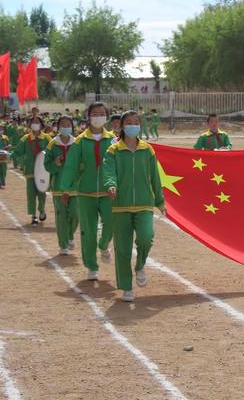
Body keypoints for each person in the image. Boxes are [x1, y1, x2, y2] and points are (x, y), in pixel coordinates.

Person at [103, 111, 165, 302]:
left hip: (144, 203)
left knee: (146, 237)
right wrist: (110, 185)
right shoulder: (113, 151)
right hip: (120, 205)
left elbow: (155, 176)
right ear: (121, 127)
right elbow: (109, 172)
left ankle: (140, 265)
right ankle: (126, 287)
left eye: (136, 122)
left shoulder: (148, 150)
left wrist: (160, 201)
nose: (133, 125)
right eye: (129, 123)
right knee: (122, 248)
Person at [61, 103, 115, 280]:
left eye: (102, 113)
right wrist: (66, 188)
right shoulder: (80, 141)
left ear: (107, 116)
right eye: (94, 113)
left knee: (111, 223)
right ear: (88, 116)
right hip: (86, 193)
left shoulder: (114, 140)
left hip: (109, 193)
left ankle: (104, 244)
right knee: (88, 231)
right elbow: (71, 166)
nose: (98, 116)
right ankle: (92, 266)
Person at [44, 116, 79, 255]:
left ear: (72, 126)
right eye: (63, 124)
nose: (66, 127)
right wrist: (56, 163)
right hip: (58, 187)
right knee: (61, 217)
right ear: (58, 127)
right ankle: (63, 245)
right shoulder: (53, 144)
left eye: (68, 124)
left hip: (75, 187)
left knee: (76, 215)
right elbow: (46, 165)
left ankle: (70, 236)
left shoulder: (77, 143)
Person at [15, 117, 52, 224]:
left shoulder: (47, 138)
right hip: (30, 170)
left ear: (41, 124)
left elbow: (53, 150)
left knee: (42, 192)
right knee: (31, 194)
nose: (35, 124)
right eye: (33, 122)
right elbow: (18, 151)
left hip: (43, 171)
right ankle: (33, 215)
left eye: (37, 122)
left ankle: (42, 210)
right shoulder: (25, 138)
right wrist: (8, 155)